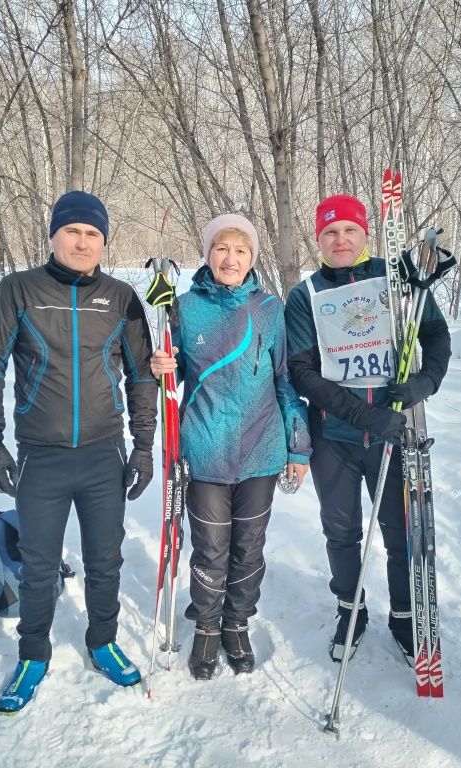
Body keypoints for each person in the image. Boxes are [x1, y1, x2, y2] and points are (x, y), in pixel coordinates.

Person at [0, 190, 158, 713]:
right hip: (40, 456)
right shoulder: (19, 291)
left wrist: (143, 448)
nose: (82, 241)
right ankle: (33, 653)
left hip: (104, 455)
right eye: (72, 231)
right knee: (38, 561)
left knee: (105, 559)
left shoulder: (121, 298)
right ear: (53, 235)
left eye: (92, 234)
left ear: (103, 242)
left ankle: (102, 641)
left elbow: (143, 377)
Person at [284, 193, 451, 664]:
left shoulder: (396, 279)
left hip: (395, 433)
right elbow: (302, 371)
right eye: (330, 232)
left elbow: (436, 336)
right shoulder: (306, 294)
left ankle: (403, 614)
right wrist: (360, 415)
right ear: (318, 238)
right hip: (334, 436)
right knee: (340, 531)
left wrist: (425, 382)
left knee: (399, 533)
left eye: (349, 231)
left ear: (365, 234)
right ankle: (351, 610)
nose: (340, 240)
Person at [150, 213, 311, 680]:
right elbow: (168, 373)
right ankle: (205, 625)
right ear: (207, 253)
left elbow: (284, 381)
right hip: (203, 449)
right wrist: (158, 362)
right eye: (222, 248)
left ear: (252, 258)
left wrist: (298, 449)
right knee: (211, 545)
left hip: (261, 450)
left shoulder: (269, 309)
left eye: (241, 250)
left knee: (249, 546)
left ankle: (236, 621)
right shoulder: (183, 307)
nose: (231, 258)